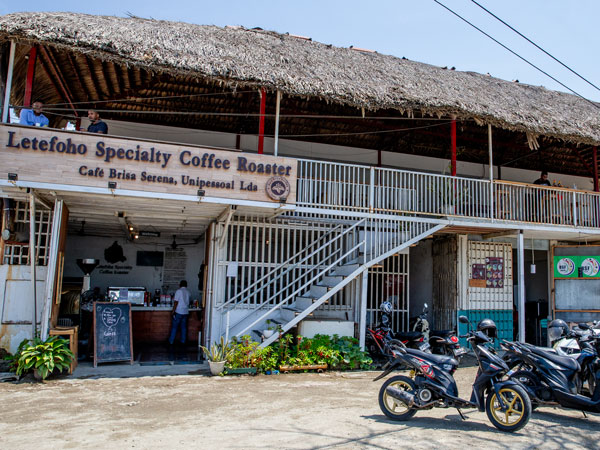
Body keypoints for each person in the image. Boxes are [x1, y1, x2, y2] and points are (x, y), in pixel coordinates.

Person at [168, 280, 190, 345]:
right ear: (186, 285)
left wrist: (173, 311)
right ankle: (183, 341)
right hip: (185, 312)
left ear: (180, 285)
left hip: (179, 312)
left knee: (174, 327)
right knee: (183, 328)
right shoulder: (188, 292)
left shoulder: (178, 291)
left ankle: (171, 341)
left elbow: (176, 302)